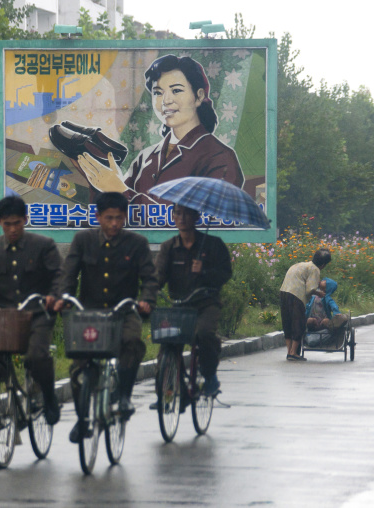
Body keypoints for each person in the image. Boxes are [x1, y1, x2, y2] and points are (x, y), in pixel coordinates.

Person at [53, 192, 158, 443]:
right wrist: (64, 297)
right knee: (79, 367)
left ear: (125, 218)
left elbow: (150, 279)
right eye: (108, 218)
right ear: (97, 216)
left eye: (119, 218)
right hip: (89, 313)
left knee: (132, 343)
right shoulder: (82, 240)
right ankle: (81, 420)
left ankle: (123, 395)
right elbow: (69, 274)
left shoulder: (137, 243)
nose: (114, 224)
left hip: (124, 311)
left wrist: (146, 300)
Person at [74, 54, 245, 205]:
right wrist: (100, 183)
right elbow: (116, 213)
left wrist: (118, 189)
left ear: (199, 96)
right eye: (158, 92)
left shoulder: (220, 158)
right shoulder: (146, 157)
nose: (166, 101)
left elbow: (204, 219)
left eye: (176, 90)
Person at [0, 196, 62, 425]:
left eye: (17, 223)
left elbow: (59, 276)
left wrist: (54, 296)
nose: (12, 229)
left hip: (38, 313)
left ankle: (48, 398)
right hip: (5, 316)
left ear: (25, 220)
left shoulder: (43, 245)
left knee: (37, 356)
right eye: (7, 224)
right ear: (0, 222)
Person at [154, 204, 232, 403]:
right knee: (167, 344)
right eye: (178, 213)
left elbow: (226, 274)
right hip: (179, 305)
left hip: (206, 304)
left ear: (196, 217)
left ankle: (210, 376)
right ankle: (167, 390)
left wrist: (204, 271)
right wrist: (148, 293)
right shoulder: (168, 247)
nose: (182, 218)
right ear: (173, 216)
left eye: (187, 213)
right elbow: (158, 276)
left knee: (204, 334)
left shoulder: (213, 245)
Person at [279, 249, 332, 361]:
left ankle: (289, 352)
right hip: (296, 295)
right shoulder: (315, 269)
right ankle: (294, 353)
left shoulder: (301, 265)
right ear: (323, 264)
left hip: (283, 292)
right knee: (299, 323)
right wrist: (319, 293)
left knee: (287, 322)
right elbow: (310, 290)